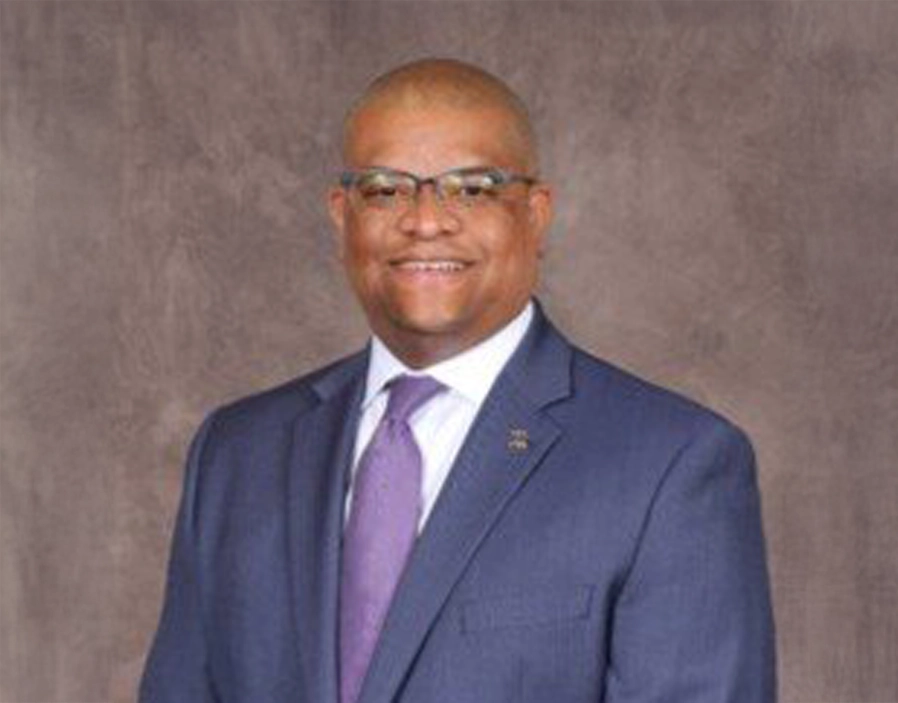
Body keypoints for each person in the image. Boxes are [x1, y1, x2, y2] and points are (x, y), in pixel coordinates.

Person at [140, 58, 776, 702]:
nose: (425, 220)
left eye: (471, 189)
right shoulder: (237, 454)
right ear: (342, 216)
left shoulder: (670, 465)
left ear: (535, 215)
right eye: (385, 189)